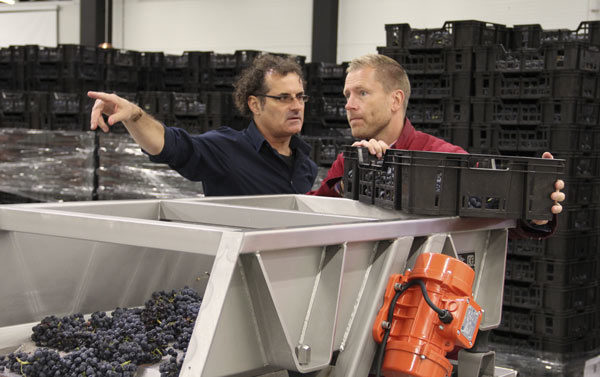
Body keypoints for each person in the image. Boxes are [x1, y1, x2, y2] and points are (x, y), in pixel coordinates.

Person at [310, 54, 565, 234]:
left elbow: (491, 215)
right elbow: (312, 214)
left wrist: (534, 213)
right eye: (347, 95)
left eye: (362, 93)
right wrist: (346, 183)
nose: (349, 104)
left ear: (395, 100)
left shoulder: (442, 157)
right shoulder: (349, 160)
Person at [87, 54, 317, 196]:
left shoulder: (305, 164)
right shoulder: (226, 150)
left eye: (300, 97)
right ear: (255, 104)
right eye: (284, 98)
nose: (296, 106)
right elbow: (171, 145)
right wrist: (134, 115)